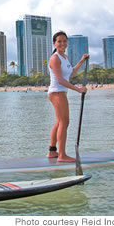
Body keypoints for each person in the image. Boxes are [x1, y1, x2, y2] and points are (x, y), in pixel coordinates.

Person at [47, 31, 89, 162]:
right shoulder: (55, 58)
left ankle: (52, 152)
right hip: (57, 92)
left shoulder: (64, 57)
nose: (62, 43)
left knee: (59, 122)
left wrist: (81, 61)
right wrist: (78, 89)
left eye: (64, 41)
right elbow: (60, 80)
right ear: (54, 43)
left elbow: (70, 74)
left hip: (60, 92)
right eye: (59, 41)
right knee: (64, 122)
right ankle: (62, 155)